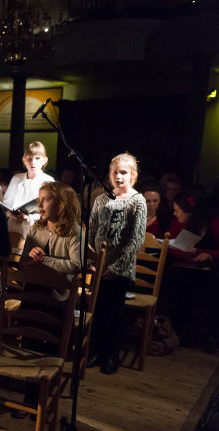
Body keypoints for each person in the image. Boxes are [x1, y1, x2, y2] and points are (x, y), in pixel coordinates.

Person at [87, 152, 147, 375]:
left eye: (124, 172)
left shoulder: (136, 201)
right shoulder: (102, 199)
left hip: (119, 268)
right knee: (98, 310)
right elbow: (91, 230)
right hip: (98, 266)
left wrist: (116, 267)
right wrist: (92, 259)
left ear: (133, 175)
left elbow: (136, 240)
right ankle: (96, 351)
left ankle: (111, 355)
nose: (119, 177)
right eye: (115, 172)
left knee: (114, 311)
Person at [20, 181, 82, 274]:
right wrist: (31, 258)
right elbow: (22, 264)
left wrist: (44, 259)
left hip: (59, 287)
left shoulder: (73, 231)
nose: (39, 205)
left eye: (45, 199)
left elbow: (76, 266)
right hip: (32, 283)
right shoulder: (36, 228)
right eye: (38, 200)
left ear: (61, 204)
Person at [2, 142, 55, 247]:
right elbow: (7, 202)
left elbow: (50, 209)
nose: (33, 162)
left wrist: (29, 218)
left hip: (36, 228)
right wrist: (12, 213)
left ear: (44, 160)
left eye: (37, 158)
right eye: (29, 158)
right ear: (24, 159)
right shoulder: (17, 178)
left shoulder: (48, 181)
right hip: (14, 226)